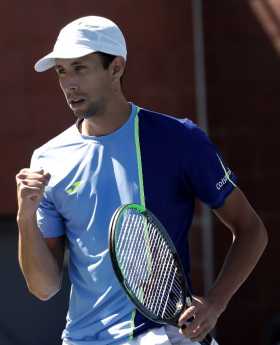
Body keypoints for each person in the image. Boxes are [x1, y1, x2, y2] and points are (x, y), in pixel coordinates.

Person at [16, 15, 268, 345]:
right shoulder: (47, 160)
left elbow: (251, 230)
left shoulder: (180, 139)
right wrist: (24, 219)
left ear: (116, 68)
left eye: (80, 68)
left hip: (167, 336)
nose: (68, 83)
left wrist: (215, 303)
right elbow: (43, 287)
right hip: (83, 339)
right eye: (61, 71)